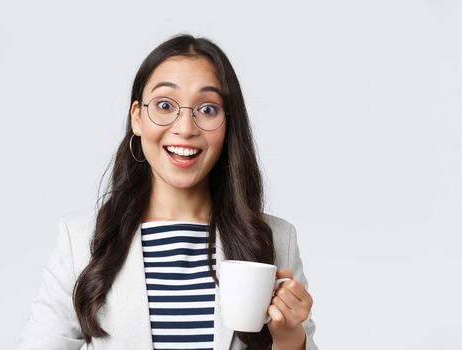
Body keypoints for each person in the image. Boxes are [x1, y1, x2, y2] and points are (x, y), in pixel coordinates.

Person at [17, 34, 318, 350]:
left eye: (208, 109)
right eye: (164, 105)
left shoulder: (274, 238)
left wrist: (289, 338)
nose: (185, 128)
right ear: (137, 117)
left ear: (228, 125)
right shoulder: (80, 238)